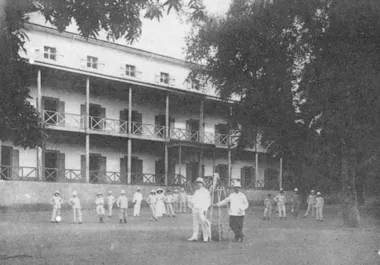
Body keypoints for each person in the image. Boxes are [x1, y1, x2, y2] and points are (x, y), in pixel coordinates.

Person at [187, 177, 211, 243]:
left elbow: (208, 201)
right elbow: (193, 201)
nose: (198, 184)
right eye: (197, 183)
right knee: (195, 223)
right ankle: (195, 236)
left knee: (204, 223)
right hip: (195, 209)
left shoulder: (205, 191)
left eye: (199, 183)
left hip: (202, 209)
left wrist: (205, 209)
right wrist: (189, 199)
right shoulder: (196, 191)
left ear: (202, 184)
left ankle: (205, 237)